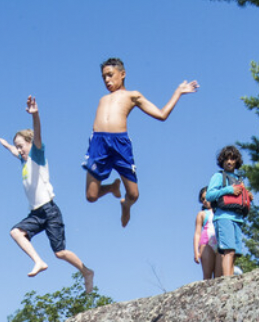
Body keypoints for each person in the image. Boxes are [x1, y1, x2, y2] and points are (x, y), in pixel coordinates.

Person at [83, 57, 199, 227]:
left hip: (120, 144)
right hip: (98, 144)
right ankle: (112, 188)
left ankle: (126, 205)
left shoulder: (132, 95)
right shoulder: (102, 99)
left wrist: (178, 93)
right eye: (104, 78)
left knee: (134, 194)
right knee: (91, 196)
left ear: (122, 74)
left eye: (110, 75)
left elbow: (161, 115)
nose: (107, 80)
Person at [0, 96, 95, 293]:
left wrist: (36, 115)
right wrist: (7, 146)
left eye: (21, 145)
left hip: (49, 210)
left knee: (60, 253)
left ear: (30, 144)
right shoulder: (23, 160)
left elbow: (38, 135)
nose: (19, 150)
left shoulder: (37, 154)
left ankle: (86, 272)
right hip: (36, 213)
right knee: (16, 232)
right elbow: (14, 152)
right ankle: (39, 261)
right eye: (17, 147)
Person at [205, 145, 251, 278]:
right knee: (228, 250)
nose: (229, 162)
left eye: (232, 159)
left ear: (237, 161)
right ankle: (227, 280)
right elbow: (209, 195)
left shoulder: (238, 179)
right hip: (223, 217)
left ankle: (230, 276)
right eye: (226, 159)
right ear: (222, 161)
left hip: (237, 218)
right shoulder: (219, 176)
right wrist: (228, 190)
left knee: (235, 252)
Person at [193, 186, 220, 280]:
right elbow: (197, 233)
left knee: (219, 277)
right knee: (207, 275)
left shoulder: (220, 210)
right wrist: (196, 251)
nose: (205, 200)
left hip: (220, 244)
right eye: (202, 199)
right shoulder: (202, 214)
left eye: (206, 197)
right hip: (206, 243)